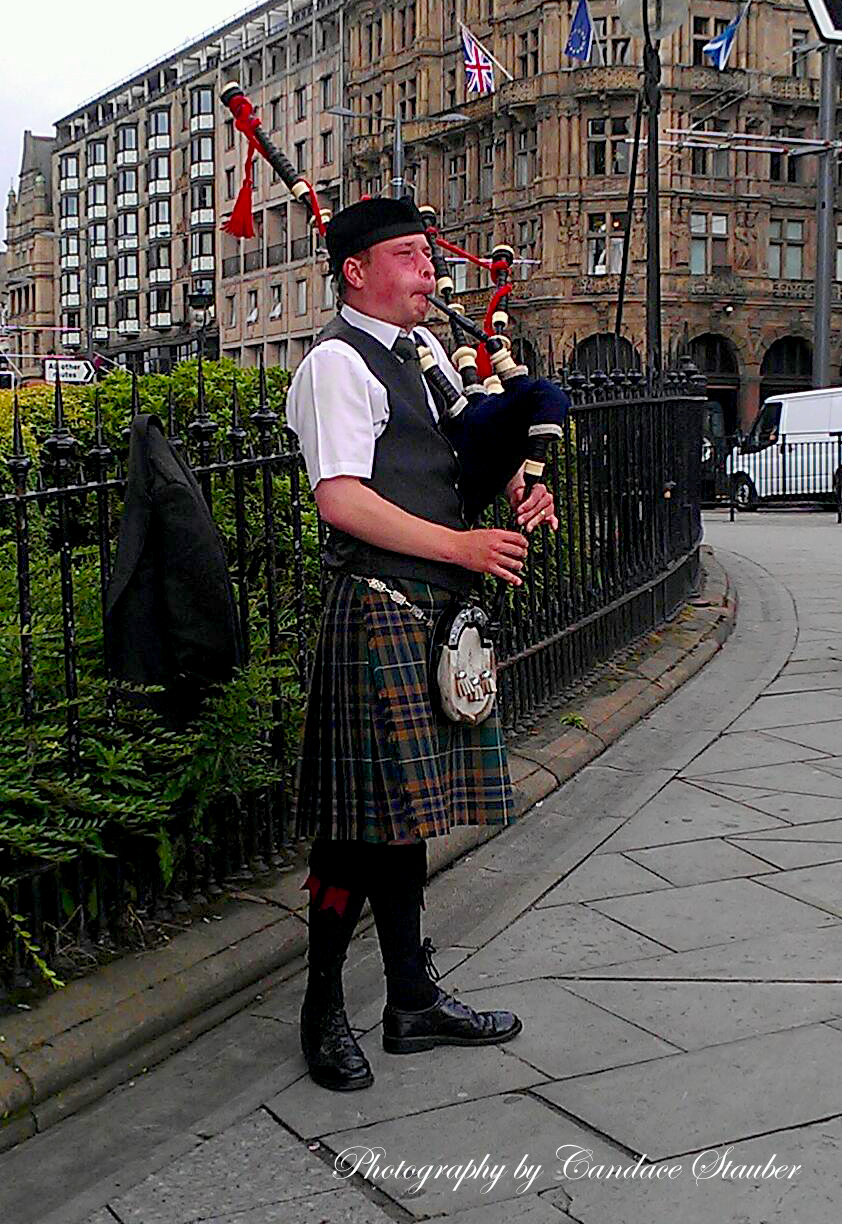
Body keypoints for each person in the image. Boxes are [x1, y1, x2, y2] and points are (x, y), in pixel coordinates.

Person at [285, 196, 558, 1092]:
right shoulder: (335, 364)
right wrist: (461, 548)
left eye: (427, 255)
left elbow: (459, 451)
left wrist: (519, 485)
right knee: (352, 836)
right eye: (407, 255)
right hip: (375, 610)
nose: (427, 270)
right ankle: (322, 1003)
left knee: (402, 824)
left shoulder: (427, 354)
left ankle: (409, 999)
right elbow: (342, 499)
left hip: (429, 611)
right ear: (355, 271)